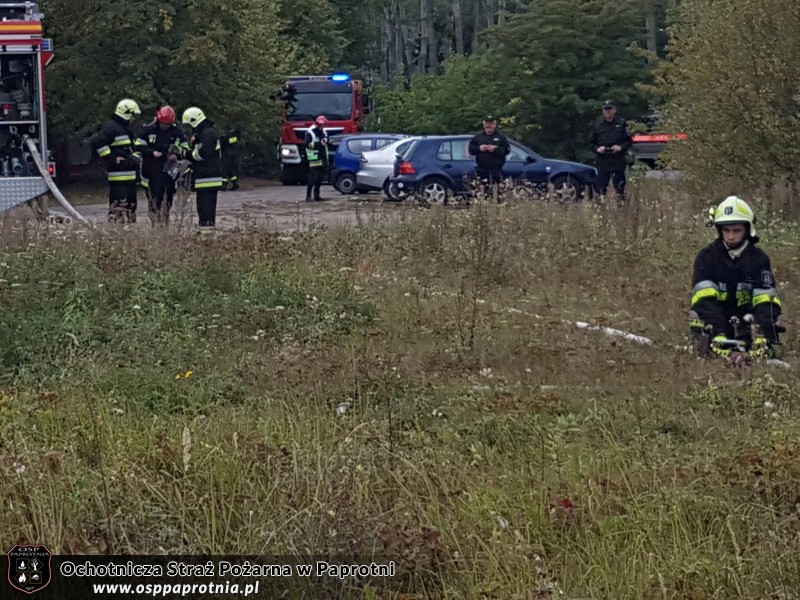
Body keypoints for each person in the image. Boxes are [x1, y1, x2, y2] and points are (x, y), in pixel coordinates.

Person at [690, 196, 784, 358]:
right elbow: (704, 301)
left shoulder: (759, 259)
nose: (731, 236)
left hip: (748, 326)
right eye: (726, 230)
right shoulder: (707, 257)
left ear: (747, 229)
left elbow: (766, 302)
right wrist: (718, 333)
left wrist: (761, 333)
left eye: (736, 230)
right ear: (720, 230)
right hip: (713, 326)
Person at [90, 98, 142, 223]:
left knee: (131, 209)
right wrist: (111, 158)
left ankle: (129, 234)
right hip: (118, 178)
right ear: (127, 113)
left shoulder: (125, 128)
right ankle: (115, 234)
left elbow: (131, 147)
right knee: (117, 210)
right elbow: (97, 142)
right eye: (133, 115)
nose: (133, 119)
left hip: (130, 177)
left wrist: (135, 156)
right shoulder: (112, 127)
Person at [136, 105, 186, 224]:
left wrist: (177, 155)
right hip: (152, 171)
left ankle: (165, 220)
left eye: (167, 124)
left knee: (168, 198)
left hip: (169, 172)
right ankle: (155, 222)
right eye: (163, 123)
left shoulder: (177, 132)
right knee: (154, 198)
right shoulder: (150, 130)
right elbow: (138, 145)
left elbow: (185, 148)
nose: (165, 126)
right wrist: (151, 152)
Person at [181, 107, 224, 234]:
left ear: (194, 121)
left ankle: (207, 235)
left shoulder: (209, 133)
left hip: (208, 178)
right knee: (202, 208)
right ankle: (205, 232)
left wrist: (185, 154)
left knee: (206, 208)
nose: (189, 128)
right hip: (204, 177)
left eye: (189, 125)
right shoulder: (203, 133)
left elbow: (202, 154)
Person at [588, 99, 632, 200]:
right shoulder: (597, 124)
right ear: (603, 111)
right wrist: (597, 149)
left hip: (618, 161)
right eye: (606, 109)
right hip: (603, 161)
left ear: (614, 110)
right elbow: (590, 143)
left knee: (620, 189)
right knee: (600, 189)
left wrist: (620, 147)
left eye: (610, 109)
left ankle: (622, 210)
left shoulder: (622, 123)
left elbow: (629, 141)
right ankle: (601, 210)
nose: (608, 111)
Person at [468, 114, 510, 201]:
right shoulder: (478, 137)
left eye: (490, 123)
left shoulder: (501, 137)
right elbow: (471, 150)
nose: (488, 126)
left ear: (495, 124)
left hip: (496, 171)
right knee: (481, 194)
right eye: (486, 123)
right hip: (482, 170)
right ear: (483, 124)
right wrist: (479, 148)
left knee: (497, 195)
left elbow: (507, 150)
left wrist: (496, 149)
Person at [304, 115, 331, 202]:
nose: (323, 127)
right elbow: (308, 145)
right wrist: (319, 143)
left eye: (324, 126)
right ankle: (308, 196)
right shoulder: (310, 132)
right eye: (322, 126)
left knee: (320, 179)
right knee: (313, 179)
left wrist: (327, 141)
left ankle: (317, 195)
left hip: (323, 159)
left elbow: (327, 139)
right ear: (318, 125)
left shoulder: (324, 132)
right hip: (314, 159)